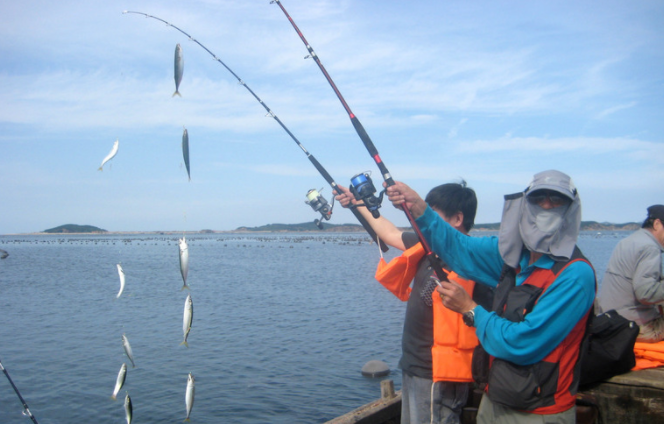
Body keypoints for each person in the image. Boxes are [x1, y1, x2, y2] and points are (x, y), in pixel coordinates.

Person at [385, 170, 596, 424]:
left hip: (541, 412)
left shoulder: (575, 275)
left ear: (571, 210)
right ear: (524, 204)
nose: (546, 206)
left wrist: (469, 309)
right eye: (539, 198)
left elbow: (523, 343)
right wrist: (418, 207)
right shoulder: (510, 256)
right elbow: (459, 247)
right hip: (495, 399)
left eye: (557, 200)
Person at [335, 181, 488, 424]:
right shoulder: (426, 243)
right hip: (414, 366)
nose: (420, 218)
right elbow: (389, 233)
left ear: (457, 218)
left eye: (430, 212)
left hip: (439, 373)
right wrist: (357, 203)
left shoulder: (476, 262)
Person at [597, 204, 664, 342]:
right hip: (635, 328)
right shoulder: (650, 248)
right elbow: (645, 293)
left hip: (611, 321)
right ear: (657, 224)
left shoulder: (628, 241)